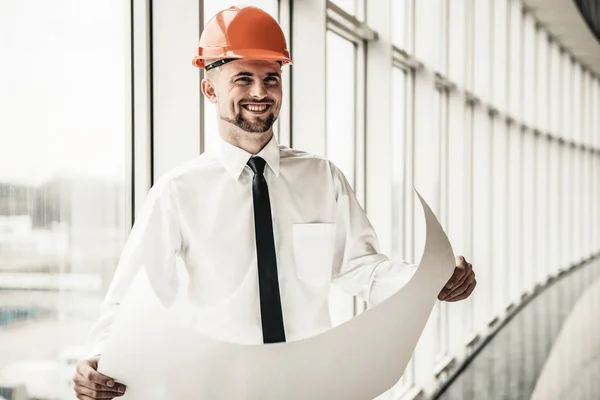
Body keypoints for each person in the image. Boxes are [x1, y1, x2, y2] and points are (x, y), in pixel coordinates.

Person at [72, 5, 477, 399]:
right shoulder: (178, 193)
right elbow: (131, 295)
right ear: (210, 89)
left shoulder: (322, 178)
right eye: (243, 79)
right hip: (218, 389)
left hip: (314, 386)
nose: (260, 93)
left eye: (271, 78)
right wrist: (98, 359)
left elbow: (363, 269)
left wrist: (429, 280)